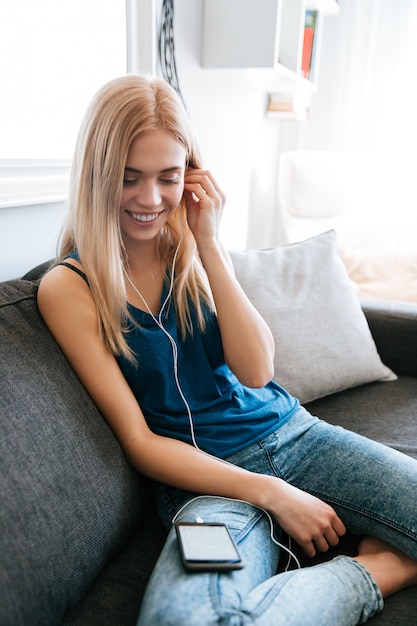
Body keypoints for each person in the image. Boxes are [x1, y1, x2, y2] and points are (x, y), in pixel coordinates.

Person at [37, 73, 417, 625]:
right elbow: (141, 441)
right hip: (203, 484)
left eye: (168, 177)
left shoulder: (188, 245)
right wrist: (272, 494)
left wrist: (210, 243)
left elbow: (258, 370)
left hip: (296, 437)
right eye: (129, 178)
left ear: (190, 175)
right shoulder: (69, 287)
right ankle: (376, 572)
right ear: (95, 176)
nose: (150, 199)